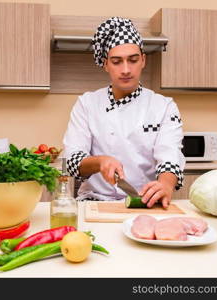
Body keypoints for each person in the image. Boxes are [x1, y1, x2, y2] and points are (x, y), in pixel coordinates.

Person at [62, 17, 185, 208]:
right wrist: (100, 162)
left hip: (145, 202)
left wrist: (165, 184)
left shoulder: (164, 106)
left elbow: (169, 156)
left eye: (133, 60)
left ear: (143, 60)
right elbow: (72, 161)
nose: (126, 69)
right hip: (93, 201)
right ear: (105, 64)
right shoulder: (87, 103)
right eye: (117, 61)